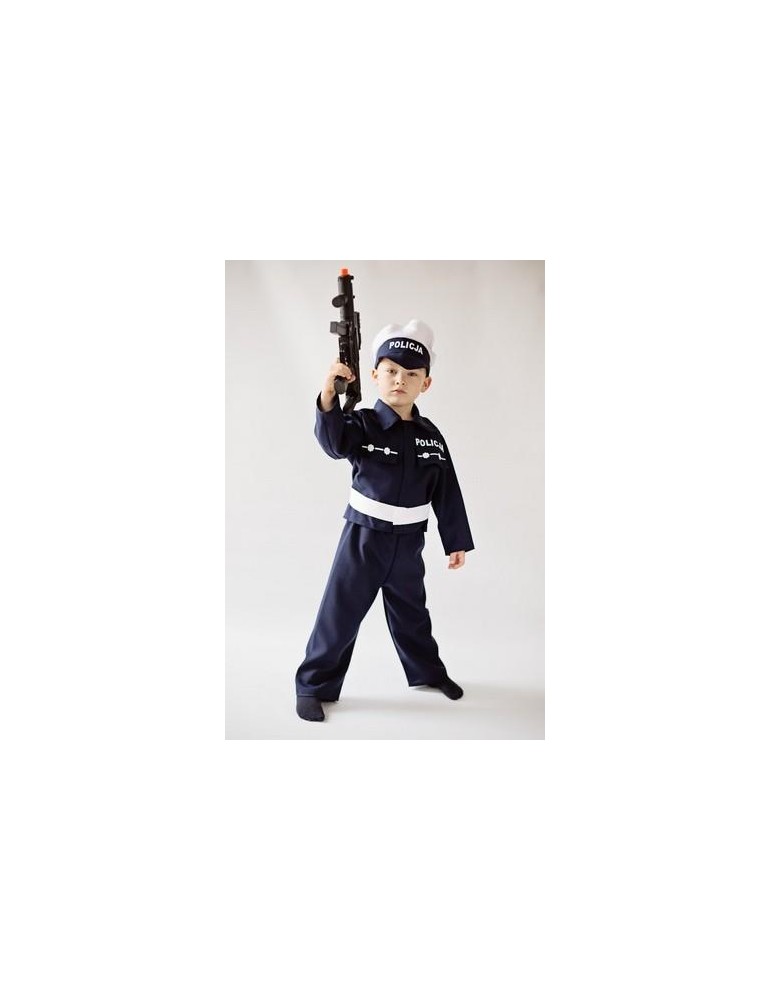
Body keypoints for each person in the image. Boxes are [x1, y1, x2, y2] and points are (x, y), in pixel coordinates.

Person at [295, 319, 474, 722]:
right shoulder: (362, 424)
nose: (400, 380)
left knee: (413, 614)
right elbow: (333, 443)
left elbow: (447, 490)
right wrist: (328, 396)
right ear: (375, 375)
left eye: (411, 374)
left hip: (409, 542)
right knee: (339, 615)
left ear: (426, 383)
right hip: (363, 538)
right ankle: (312, 686)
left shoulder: (431, 436)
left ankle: (428, 672)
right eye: (391, 371)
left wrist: (456, 541)